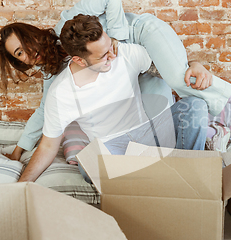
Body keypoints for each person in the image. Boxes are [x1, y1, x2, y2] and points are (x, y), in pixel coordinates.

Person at [0, 0, 231, 160]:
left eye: (25, 44)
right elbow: (44, 114)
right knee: (155, 112)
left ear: (33, 34)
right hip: (135, 66)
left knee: (176, 78)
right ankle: (210, 130)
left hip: (142, 35)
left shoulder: (68, 23)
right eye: (19, 53)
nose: (27, 53)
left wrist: (120, 44)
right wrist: (19, 151)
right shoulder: (57, 74)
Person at [18, 14, 209, 182]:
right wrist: (22, 185)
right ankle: (153, 176)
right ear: (79, 60)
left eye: (110, 45)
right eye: (103, 55)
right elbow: (48, 146)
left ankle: (184, 177)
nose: (112, 55)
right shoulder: (61, 94)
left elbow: (170, 70)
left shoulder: (123, 53)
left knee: (195, 106)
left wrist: (195, 64)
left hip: (148, 134)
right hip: (114, 149)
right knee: (87, 165)